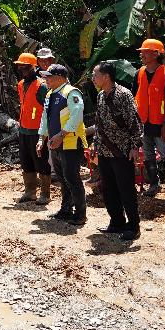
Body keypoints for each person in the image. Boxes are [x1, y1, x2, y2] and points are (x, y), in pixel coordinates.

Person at [92, 62, 144, 240]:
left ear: (106, 77)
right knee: (108, 188)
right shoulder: (100, 96)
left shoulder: (124, 95)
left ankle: (133, 226)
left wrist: (135, 146)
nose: (93, 78)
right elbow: (99, 124)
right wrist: (95, 146)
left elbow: (135, 123)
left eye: (95, 74)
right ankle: (116, 222)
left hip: (122, 150)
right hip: (104, 151)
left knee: (126, 189)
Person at [37, 64, 88, 226]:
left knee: (72, 178)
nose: (46, 80)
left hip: (71, 142)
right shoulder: (50, 94)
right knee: (62, 178)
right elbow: (45, 118)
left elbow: (77, 114)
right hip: (55, 143)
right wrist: (41, 138)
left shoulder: (71, 92)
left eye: (49, 77)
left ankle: (80, 214)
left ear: (59, 78)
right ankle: (66, 209)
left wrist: (61, 134)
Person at [132, 38, 165, 198]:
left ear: (155, 54)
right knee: (147, 155)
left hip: (161, 123)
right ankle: (154, 185)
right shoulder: (139, 73)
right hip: (144, 123)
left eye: (145, 52)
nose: (142, 55)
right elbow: (134, 97)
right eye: (142, 52)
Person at [13, 53, 51, 204]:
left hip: (37, 131)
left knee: (41, 162)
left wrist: (45, 132)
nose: (22, 71)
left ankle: (45, 194)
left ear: (33, 68)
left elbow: (48, 110)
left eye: (25, 68)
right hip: (23, 130)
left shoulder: (41, 86)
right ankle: (30, 192)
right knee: (26, 161)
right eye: (20, 68)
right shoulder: (21, 84)